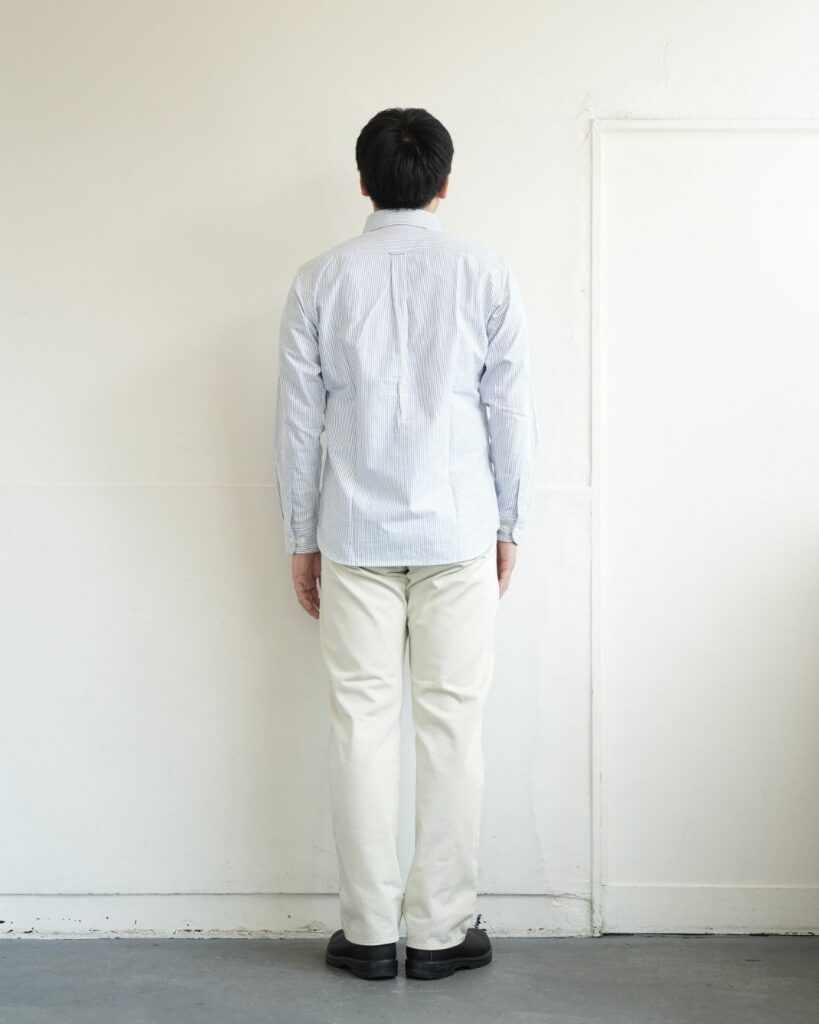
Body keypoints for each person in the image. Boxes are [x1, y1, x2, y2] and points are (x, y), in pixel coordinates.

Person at [274, 107, 539, 981]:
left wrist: (300, 537)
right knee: (452, 729)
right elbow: (510, 412)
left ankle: (368, 933)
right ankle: (439, 931)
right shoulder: (484, 275)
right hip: (457, 533)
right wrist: (510, 524)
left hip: (352, 534)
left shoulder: (319, 280)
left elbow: (298, 425)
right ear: (443, 183)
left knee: (360, 728)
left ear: (363, 181)